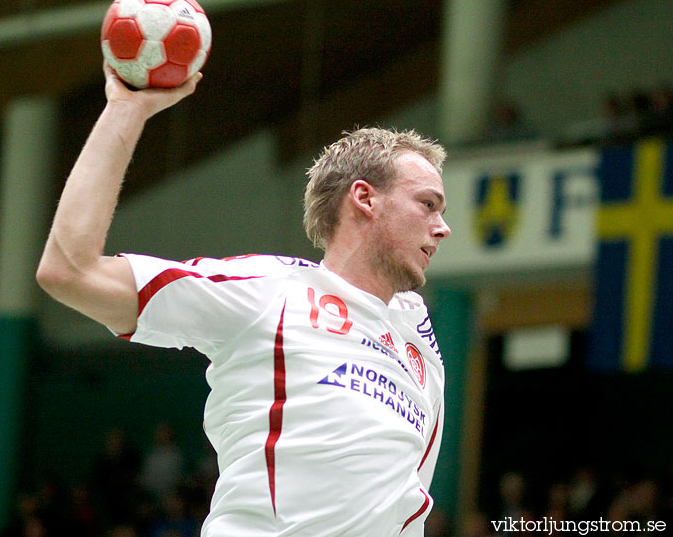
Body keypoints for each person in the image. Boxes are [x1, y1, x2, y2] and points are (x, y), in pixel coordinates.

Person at [36, 63, 452, 536]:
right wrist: (126, 109)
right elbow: (69, 271)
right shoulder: (269, 291)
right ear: (365, 198)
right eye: (428, 204)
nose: (443, 226)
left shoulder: (420, 344)